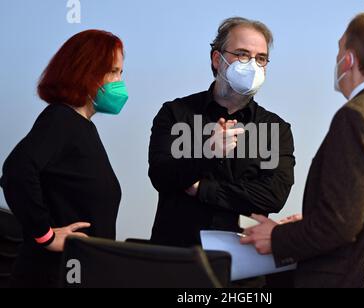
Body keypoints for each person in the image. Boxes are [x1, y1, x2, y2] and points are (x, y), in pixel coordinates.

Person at [241, 13, 364, 288]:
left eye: (340, 48)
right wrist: (313, 221)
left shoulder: (356, 116)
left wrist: (276, 237)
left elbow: (339, 225)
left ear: (350, 60)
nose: (337, 59)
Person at [148, 17, 295, 248]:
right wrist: (207, 151)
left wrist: (201, 188)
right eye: (243, 54)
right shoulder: (176, 113)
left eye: (261, 58)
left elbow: (273, 196)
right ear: (218, 59)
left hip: (245, 267)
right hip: (177, 258)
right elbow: (161, 175)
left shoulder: (276, 129)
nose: (252, 64)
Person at [0, 30, 129, 288]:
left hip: (79, 271)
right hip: (53, 274)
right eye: (112, 71)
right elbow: (16, 172)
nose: (119, 81)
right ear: (86, 72)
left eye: (121, 73)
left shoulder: (81, 126)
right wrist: (45, 236)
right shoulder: (61, 119)